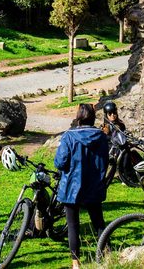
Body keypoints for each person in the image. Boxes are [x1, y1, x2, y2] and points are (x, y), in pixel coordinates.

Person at [54, 104, 110, 269]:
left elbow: (60, 162)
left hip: (72, 186)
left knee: (73, 225)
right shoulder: (101, 136)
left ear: (78, 117)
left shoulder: (69, 136)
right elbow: (105, 160)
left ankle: (75, 263)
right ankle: (107, 254)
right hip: (93, 184)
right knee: (98, 222)